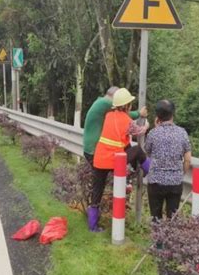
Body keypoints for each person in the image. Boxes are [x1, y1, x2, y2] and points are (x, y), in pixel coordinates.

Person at [87, 88, 150, 232]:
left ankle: (92, 226)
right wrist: (146, 125)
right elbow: (138, 131)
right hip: (115, 160)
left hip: (100, 158)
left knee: (97, 191)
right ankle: (148, 170)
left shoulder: (109, 115)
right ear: (127, 106)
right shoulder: (127, 120)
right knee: (138, 150)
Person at [144, 99, 191, 222]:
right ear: (173, 113)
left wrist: (156, 128)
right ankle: (171, 240)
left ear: (158, 116)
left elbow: (147, 152)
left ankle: (158, 241)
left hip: (155, 181)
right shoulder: (182, 133)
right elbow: (187, 159)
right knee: (173, 217)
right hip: (175, 182)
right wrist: (181, 173)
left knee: (155, 216)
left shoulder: (153, 134)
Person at [82, 86, 146, 166]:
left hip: (91, 148)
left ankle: (134, 169)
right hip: (94, 150)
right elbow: (123, 113)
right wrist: (139, 113)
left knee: (127, 147)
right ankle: (141, 169)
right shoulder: (106, 103)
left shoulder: (100, 101)